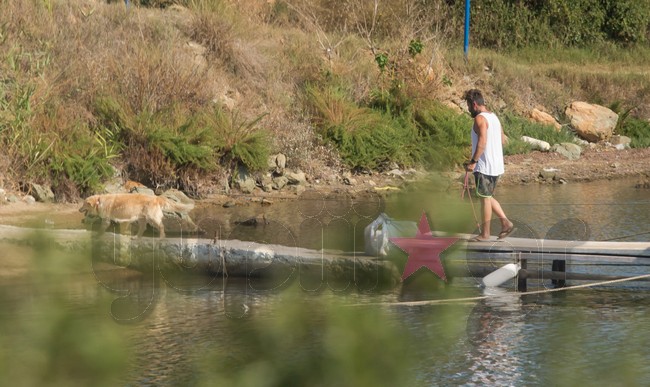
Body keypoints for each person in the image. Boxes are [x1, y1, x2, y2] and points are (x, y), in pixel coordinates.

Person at [463, 89, 515, 241]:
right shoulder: (494, 118)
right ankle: (505, 222)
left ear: (474, 104)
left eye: (468, 106)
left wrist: (473, 162)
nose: (468, 109)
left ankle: (485, 234)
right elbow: (503, 140)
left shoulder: (479, 119)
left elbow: (482, 142)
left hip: (484, 166)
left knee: (484, 199)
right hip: (497, 166)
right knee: (487, 196)